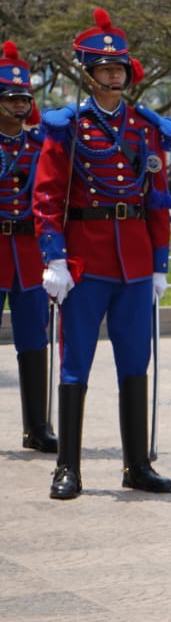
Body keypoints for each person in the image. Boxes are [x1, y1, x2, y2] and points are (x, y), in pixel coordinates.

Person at [35, 8, 171, 499]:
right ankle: (67, 468)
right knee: (76, 363)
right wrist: (53, 257)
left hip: (134, 261)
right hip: (85, 261)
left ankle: (137, 464)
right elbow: (47, 197)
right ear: (88, 73)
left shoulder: (145, 128)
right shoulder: (67, 127)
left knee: (135, 361)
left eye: (119, 68)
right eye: (105, 68)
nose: (114, 75)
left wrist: (160, 263)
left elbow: (158, 200)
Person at [0, 41, 56, 454]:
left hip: (29, 254)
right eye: (11, 98)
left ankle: (37, 427)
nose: (19, 106)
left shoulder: (39, 147)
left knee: (35, 341)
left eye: (24, 98)